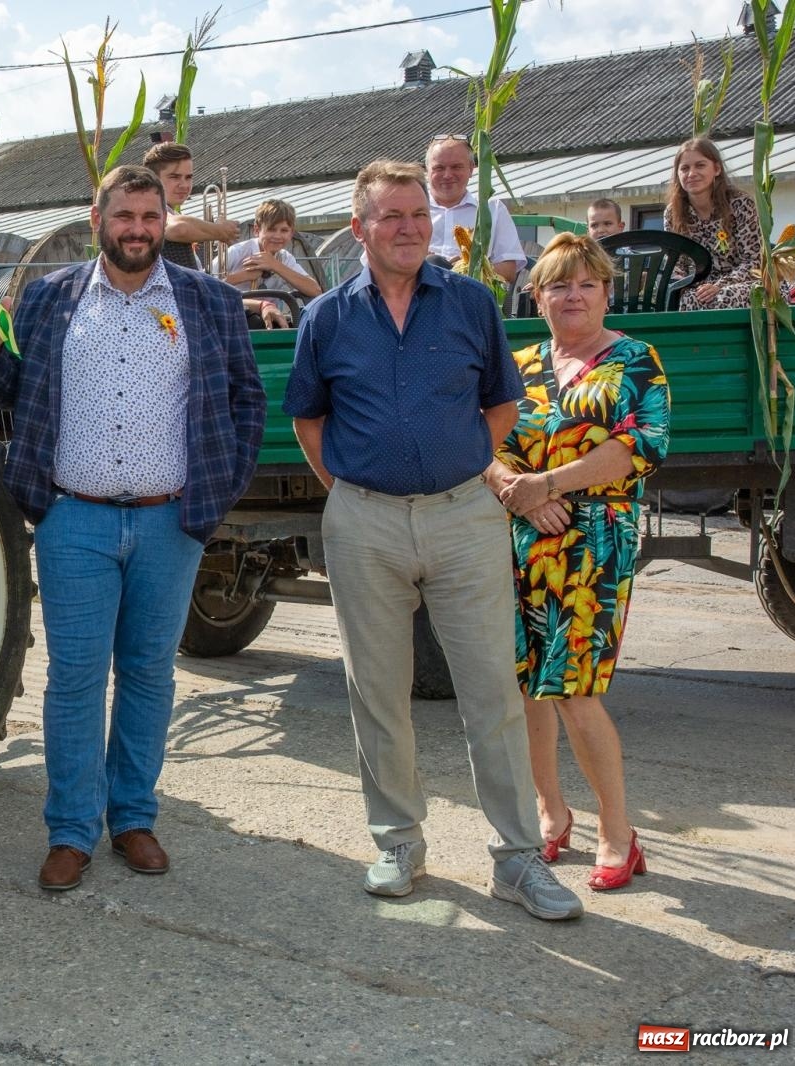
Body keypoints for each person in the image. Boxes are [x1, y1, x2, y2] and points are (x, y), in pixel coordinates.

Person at [283, 159, 583, 921]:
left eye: (418, 214)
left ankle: (518, 859)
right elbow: (309, 420)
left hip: (463, 517)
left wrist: (455, 470)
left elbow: (501, 406)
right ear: (359, 229)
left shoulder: (470, 303)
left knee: (493, 693)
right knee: (377, 692)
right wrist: (353, 494)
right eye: (392, 216)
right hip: (365, 522)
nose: (410, 228)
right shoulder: (327, 318)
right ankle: (398, 843)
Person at [0, 164, 265, 892]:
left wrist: (214, 498)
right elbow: (19, 391)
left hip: (172, 522)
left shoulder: (208, 301)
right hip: (73, 518)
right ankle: (71, 830)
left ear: (165, 220)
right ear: (96, 218)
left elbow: (247, 402)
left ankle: (133, 818)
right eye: (124, 216)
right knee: (74, 680)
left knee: (148, 674)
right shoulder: (50, 297)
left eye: (150, 216)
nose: (138, 229)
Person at [485, 234, 669, 892]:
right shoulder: (519, 365)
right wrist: (514, 489)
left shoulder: (634, 360)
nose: (573, 296)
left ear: (606, 293)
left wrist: (547, 485)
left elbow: (639, 446)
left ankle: (618, 831)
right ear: (537, 297)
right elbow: (479, 440)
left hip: (595, 542)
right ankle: (551, 812)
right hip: (522, 539)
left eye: (587, 284)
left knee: (575, 691)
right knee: (526, 688)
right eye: (559, 284)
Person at [664, 137, 762, 311]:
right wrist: (681, 284)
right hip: (697, 288)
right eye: (685, 168)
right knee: (682, 300)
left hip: (743, 283)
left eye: (700, 165)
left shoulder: (740, 204)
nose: (691, 174)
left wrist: (720, 285)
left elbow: (754, 262)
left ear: (717, 169)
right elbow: (675, 264)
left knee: (721, 298)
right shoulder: (673, 213)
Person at [425, 135, 525, 288]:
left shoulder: (492, 210)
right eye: (439, 168)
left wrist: (466, 269)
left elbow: (509, 270)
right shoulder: (409, 210)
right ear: (427, 170)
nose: (447, 175)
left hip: (472, 292)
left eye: (456, 167)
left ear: (471, 169)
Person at [142, 142, 239, 272]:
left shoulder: (171, 213)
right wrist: (221, 230)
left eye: (188, 177)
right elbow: (179, 229)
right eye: (174, 177)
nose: (184, 185)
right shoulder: (148, 210)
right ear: (152, 179)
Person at [224, 198, 322, 327]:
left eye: (284, 230)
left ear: (291, 233)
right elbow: (206, 286)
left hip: (269, 317)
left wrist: (275, 265)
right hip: (234, 317)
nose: (277, 236)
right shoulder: (237, 252)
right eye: (271, 229)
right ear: (257, 230)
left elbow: (315, 290)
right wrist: (242, 277)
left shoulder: (284, 258)